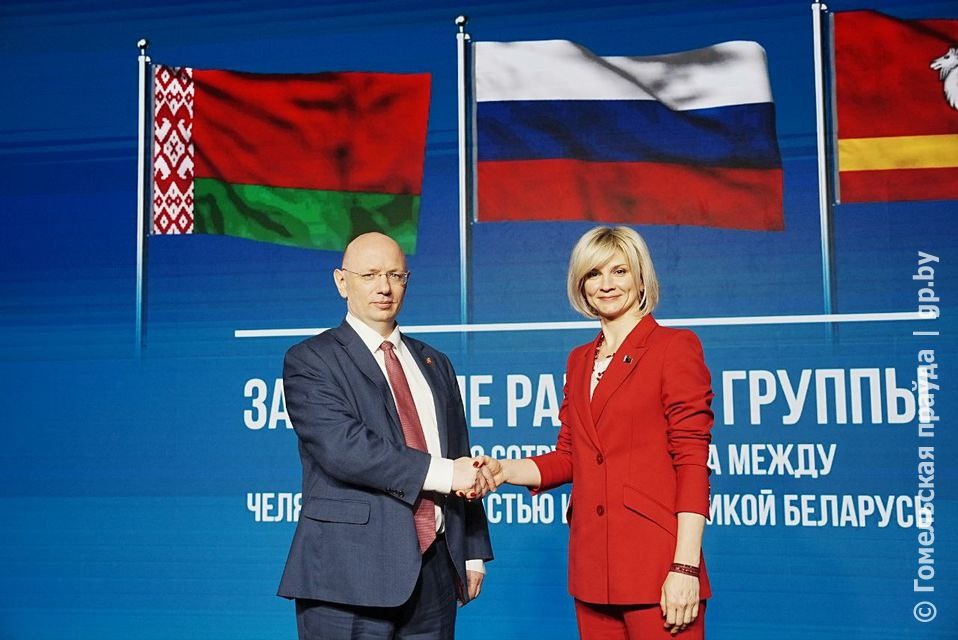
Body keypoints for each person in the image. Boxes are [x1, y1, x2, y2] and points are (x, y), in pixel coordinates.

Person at [482, 226, 713, 638]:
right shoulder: (579, 360)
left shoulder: (674, 347)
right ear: (581, 285)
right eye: (594, 273)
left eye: (619, 271)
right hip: (592, 570)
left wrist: (685, 566)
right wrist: (504, 471)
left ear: (640, 279)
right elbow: (570, 456)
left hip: (657, 568)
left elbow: (693, 462)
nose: (606, 284)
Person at [278, 232, 494, 640]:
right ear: (342, 282)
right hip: (347, 574)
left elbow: (460, 454)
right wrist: (447, 474)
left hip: (435, 573)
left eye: (395, 275)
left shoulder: (435, 362)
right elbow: (344, 448)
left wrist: (472, 551)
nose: (384, 287)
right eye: (370, 274)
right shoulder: (310, 360)